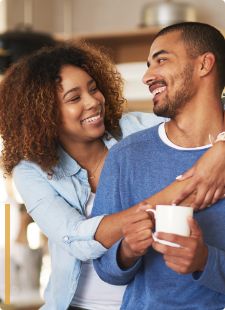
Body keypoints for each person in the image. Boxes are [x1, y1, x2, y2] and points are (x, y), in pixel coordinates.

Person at [0, 40, 224, 310]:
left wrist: (221, 149)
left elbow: (207, 107)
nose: (93, 102)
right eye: (74, 98)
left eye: (93, 89)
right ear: (43, 114)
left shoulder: (136, 130)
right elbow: (77, 238)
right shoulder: (31, 171)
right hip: (78, 305)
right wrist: (184, 188)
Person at [92, 22, 225, 310]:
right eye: (148, 65)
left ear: (205, 64)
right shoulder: (126, 156)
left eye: (161, 60)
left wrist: (206, 261)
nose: (147, 76)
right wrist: (127, 251)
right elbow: (103, 266)